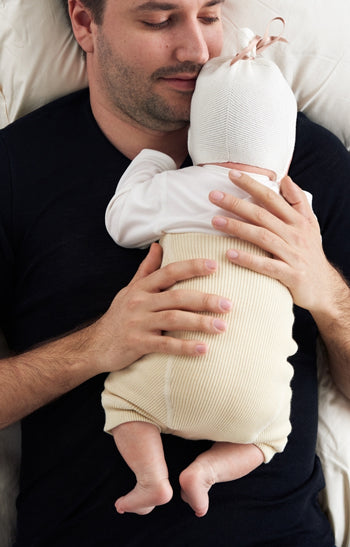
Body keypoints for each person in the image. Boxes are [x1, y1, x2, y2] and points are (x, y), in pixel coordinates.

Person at [0, 0, 349, 545]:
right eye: (159, 20)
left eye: (209, 16)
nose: (198, 49)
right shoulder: (17, 170)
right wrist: (95, 347)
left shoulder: (307, 164)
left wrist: (325, 290)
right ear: (85, 23)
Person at [102, 22, 306, 518]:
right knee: (272, 437)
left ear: (199, 131)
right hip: (254, 402)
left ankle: (152, 479)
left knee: (123, 407)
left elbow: (122, 222)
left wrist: (152, 162)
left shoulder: (187, 186)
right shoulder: (296, 209)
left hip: (166, 379)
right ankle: (207, 472)